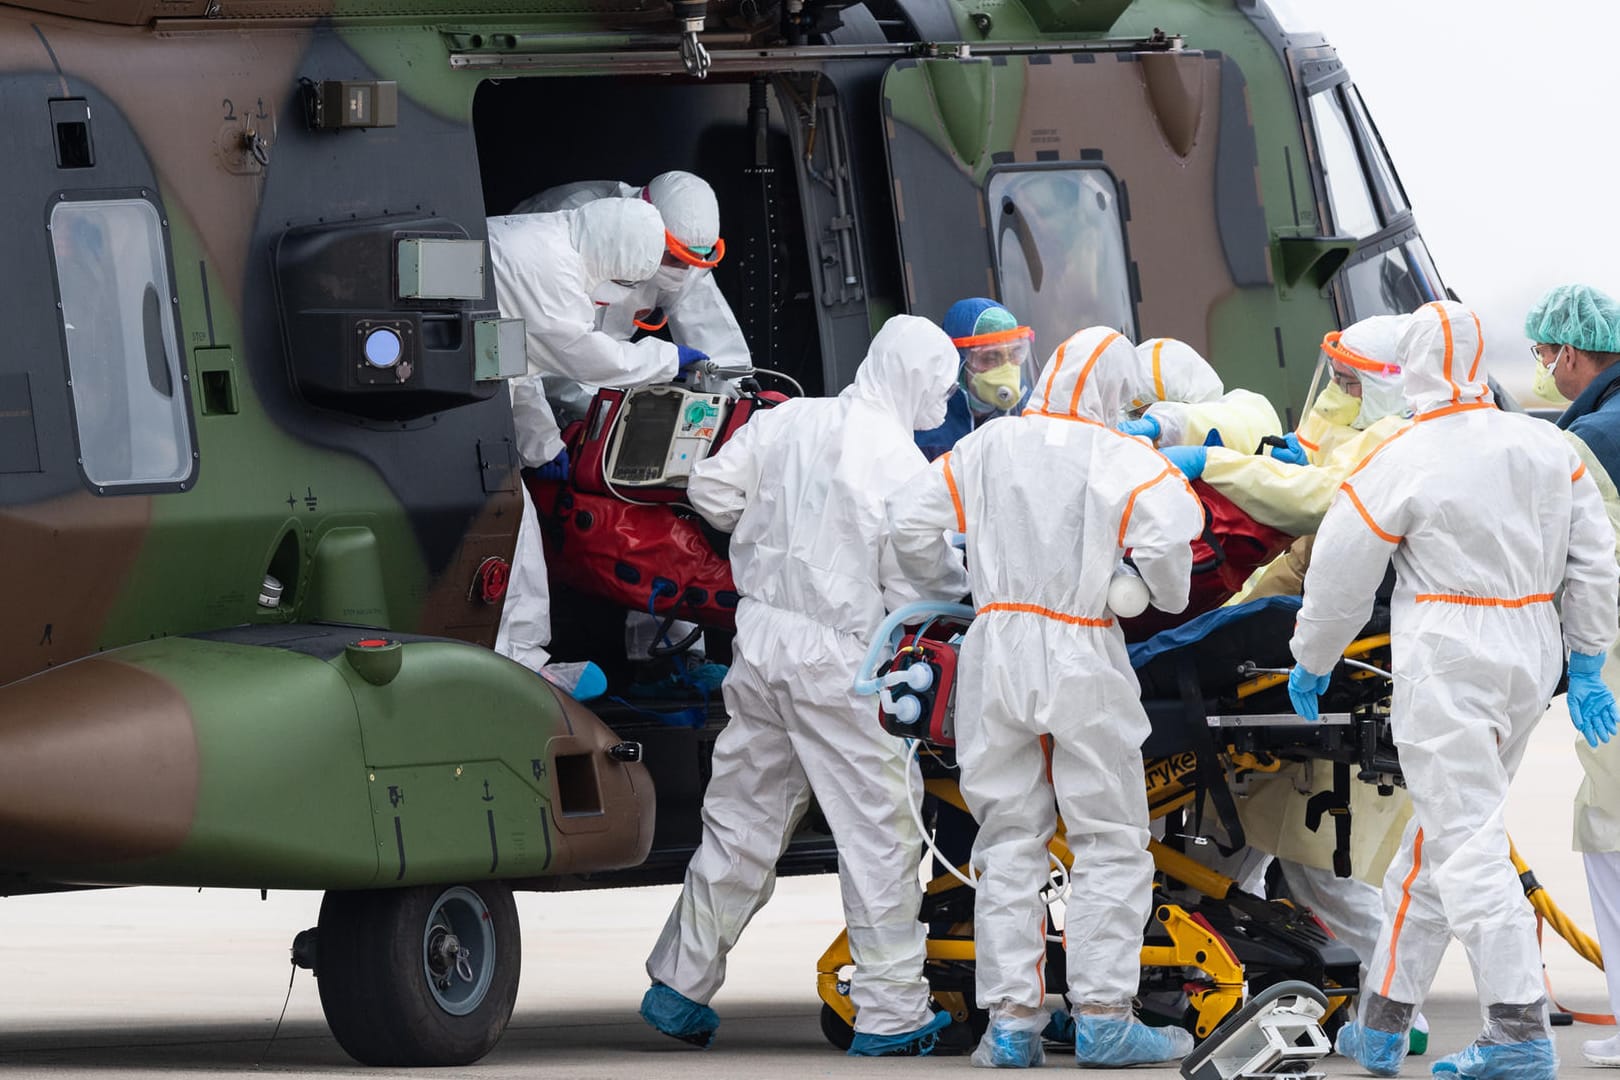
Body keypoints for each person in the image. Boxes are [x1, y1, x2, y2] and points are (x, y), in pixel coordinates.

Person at [1288, 300, 1620, 1080]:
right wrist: (1589, 661)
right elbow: (1596, 561)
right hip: (1528, 658)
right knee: (1434, 842)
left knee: (1465, 843)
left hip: (1448, 657)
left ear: (1413, 368)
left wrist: (1313, 656)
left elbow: (1340, 569)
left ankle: (1516, 1031)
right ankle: (1382, 1019)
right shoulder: (1548, 445)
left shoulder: (1404, 452)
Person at [639, 315, 967, 1057]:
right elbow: (920, 577)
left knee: (740, 821)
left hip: (758, 645)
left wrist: (765, 532)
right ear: (915, 379)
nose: (943, 403)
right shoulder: (903, 467)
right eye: (940, 388)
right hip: (841, 664)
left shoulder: (789, 422)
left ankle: (677, 985)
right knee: (879, 832)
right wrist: (968, 585)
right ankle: (891, 1015)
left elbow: (711, 487)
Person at [886, 326, 1204, 1068]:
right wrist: (1145, 594)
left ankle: (1012, 1028)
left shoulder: (988, 446)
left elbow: (908, 522)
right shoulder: (1124, 457)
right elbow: (1170, 557)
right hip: (1081, 649)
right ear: (1110, 393)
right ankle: (1102, 1018)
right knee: (1109, 838)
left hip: (993, 649)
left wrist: (956, 586)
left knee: (1007, 842)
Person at [485, 198, 672, 673]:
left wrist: (541, 443)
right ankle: (519, 666)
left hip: (467, 384)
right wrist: (671, 360)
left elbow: (517, 360)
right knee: (514, 530)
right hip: (455, 410)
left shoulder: (541, 234)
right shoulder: (555, 275)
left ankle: (516, 657)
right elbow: (587, 357)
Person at [1523, 282, 1620, 1068]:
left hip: (1612, 662)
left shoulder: (1587, 443)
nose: (1542, 369)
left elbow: (1571, 564)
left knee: (1611, 832)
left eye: (1544, 354)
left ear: (1573, 353)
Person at [515, 171, 749, 383]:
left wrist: (735, 391)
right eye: (675, 259)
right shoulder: (577, 227)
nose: (683, 272)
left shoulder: (688, 247)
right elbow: (564, 347)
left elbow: (714, 335)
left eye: (691, 262)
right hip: (532, 360)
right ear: (648, 232)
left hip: (597, 369)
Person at [1117, 337, 1291, 459]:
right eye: (1137, 416)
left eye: (1157, 410)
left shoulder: (1245, 413)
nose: (1146, 420)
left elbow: (1251, 426)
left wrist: (1169, 423)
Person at [914, 298, 1037, 461]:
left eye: (1015, 353)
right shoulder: (929, 433)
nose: (1007, 369)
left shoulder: (1029, 413)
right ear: (959, 362)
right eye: (991, 357)